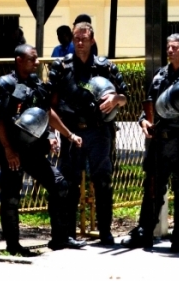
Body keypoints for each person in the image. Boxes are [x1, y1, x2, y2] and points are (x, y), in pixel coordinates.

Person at [123, 33, 179, 253]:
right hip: (159, 144)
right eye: (168, 48)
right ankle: (145, 232)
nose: (170, 51)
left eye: (175, 47)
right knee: (152, 188)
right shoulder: (160, 75)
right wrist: (143, 122)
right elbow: (148, 105)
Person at [0, 44, 82, 256]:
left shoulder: (36, 83)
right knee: (11, 198)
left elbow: (46, 113)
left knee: (59, 185)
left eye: (37, 58)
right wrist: (8, 150)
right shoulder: (4, 85)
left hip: (34, 150)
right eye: (32, 59)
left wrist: (65, 135)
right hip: (12, 151)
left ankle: (60, 238)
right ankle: (13, 246)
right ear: (19, 60)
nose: (37, 62)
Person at [48, 22, 128, 245]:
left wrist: (116, 99)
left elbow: (125, 96)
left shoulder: (105, 67)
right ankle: (69, 234)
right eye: (77, 39)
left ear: (92, 40)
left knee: (102, 181)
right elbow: (50, 103)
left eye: (84, 39)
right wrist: (53, 134)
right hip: (71, 132)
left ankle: (105, 232)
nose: (80, 43)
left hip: (99, 132)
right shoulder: (61, 67)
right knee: (69, 183)